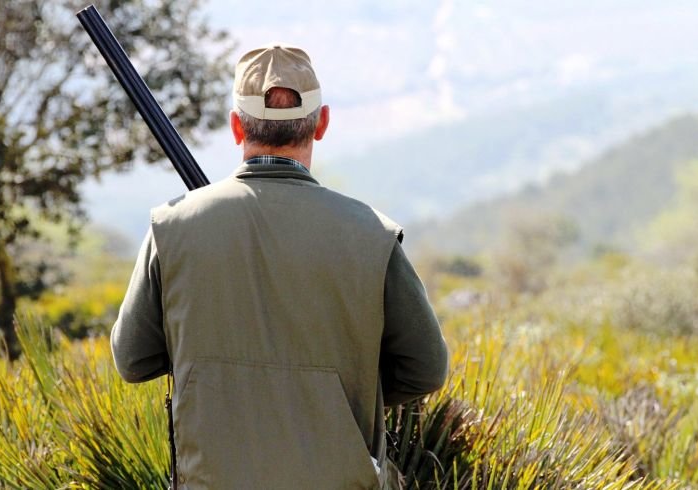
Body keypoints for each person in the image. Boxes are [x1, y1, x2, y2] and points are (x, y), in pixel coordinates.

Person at [111, 44, 448, 490]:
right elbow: (426, 368)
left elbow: (133, 360)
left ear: (236, 126)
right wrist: (342, 386)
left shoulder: (171, 227)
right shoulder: (372, 234)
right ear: (322, 122)